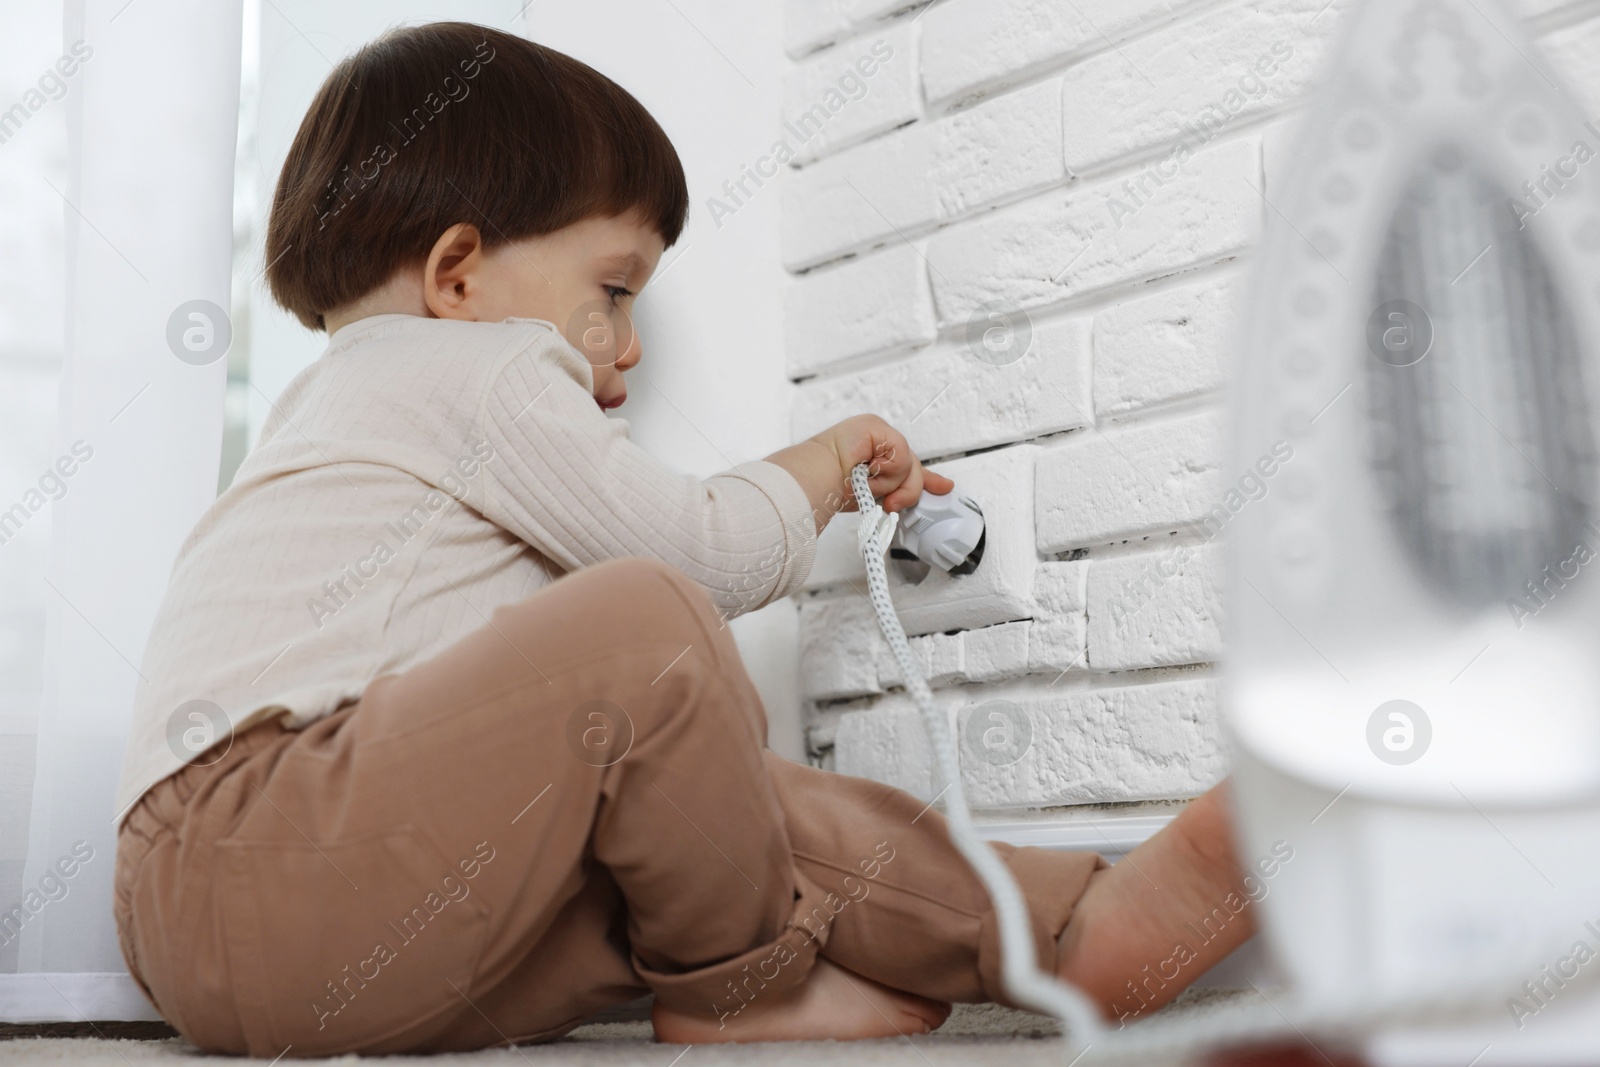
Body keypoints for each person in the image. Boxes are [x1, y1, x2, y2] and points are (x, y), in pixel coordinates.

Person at [111, 22, 1255, 1057]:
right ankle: (746, 992)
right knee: (646, 624)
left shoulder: (346, 406)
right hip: (257, 850)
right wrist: (829, 461)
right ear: (457, 275)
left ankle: (1071, 929)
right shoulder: (476, 367)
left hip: (251, 932)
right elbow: (695, 559)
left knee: (702, 799)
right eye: (613, 288)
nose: (628, 344)